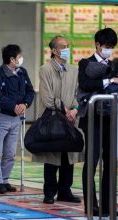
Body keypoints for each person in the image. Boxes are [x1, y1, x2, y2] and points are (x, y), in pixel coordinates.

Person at [32, 36, 83, 204]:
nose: (66, 49)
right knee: (52, 155)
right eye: (63, 46)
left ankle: (65, 191)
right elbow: (47, 98)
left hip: (70, 120)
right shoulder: (45, 69)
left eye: (68, 46)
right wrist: (64, 109)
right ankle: (49, 192)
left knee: (68, 156)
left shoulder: (74, 70)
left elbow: (78, 94)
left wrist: (75, 110)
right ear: (54, 51)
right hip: (53, 119)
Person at [78, 28, 118, 216]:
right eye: (107, 46)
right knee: (92, 161)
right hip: (92, 117)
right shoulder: (86, 63)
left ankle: (108, 204)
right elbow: (86, 84)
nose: (109, 50)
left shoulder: (114, 64)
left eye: (112, 47)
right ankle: (91, 205)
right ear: (98, 45)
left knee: (110, 163)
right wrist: (109, 80)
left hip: (111, 118)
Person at [0, 44, 35, 194]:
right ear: (11, 59)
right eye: (19, 56)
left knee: (10, 152)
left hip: (17, 118)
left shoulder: (22, 72)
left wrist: (25, 104)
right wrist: (14, 106)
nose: (21, 59)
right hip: (1, 116)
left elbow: (30, 91)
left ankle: (5, 179)